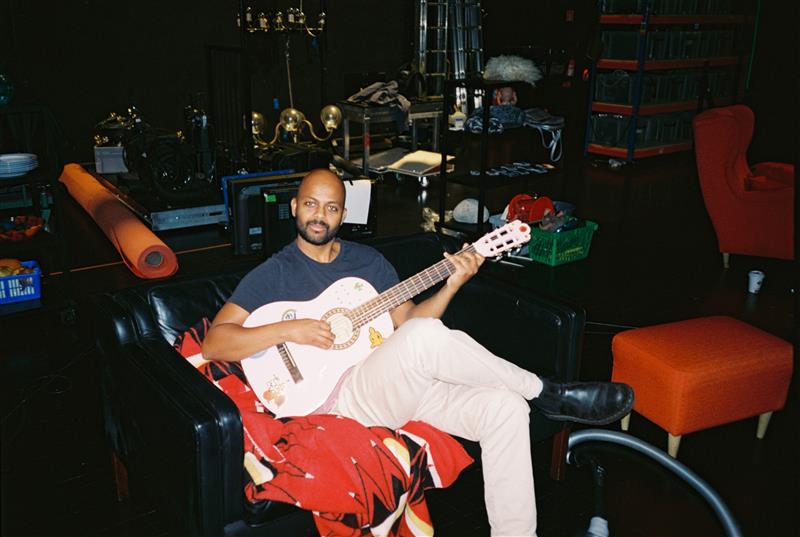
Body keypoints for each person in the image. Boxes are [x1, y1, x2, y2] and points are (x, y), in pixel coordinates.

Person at [202, 169, 633, 537]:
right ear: (295, 207)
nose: (320, 215)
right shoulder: (275, 273)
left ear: (344, 214)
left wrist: (452, 284)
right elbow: (215, 342)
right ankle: (547, 391)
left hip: (395, 385)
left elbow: (409, 321)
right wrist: (290, 328)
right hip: (338, 403)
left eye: (331, 207)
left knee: (505, 409)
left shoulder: (367, 262)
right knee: (426, 337)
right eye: (311, 205)